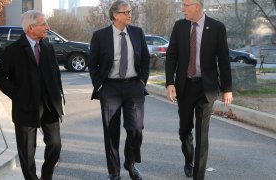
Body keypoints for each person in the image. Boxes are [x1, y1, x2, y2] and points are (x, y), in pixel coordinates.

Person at [0, 10, 65, 180]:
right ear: (31, 28)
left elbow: (55, 74)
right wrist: (17, 95)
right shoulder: (13, 50)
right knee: (27, 152)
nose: (48, 27)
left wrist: (58, 97)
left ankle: (46, 177)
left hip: (49, 106)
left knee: (55, 145)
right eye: (44, 24)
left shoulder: (48, 47)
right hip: (26, 108)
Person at [165, 0, 233, 179]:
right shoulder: (179, 26)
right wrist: (169, 83)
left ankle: (198, 176)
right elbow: (171, 56)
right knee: (184, 131)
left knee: (202, 135)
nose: (182, 9)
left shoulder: (217, 27)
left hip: (206, 88)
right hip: (184, 87)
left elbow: (223, 59)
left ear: (197, 6)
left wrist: (227, 88)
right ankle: (189, 160)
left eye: (185, 5)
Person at [88, 1, 150, 180]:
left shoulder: (138, 33)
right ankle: (113, 172)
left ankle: (129, 163)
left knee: (136, 128)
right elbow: (92, 63)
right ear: (115, 15)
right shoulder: (100, 36)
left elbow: (145, 59)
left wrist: (142, 81)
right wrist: (99, 85)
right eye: (126, 12)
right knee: (111, 131)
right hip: (110, 87)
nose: (130, 14)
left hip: (134, 87)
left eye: (130, 11)